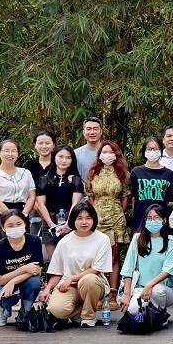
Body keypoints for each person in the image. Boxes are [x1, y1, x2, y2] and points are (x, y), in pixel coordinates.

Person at [41, 203, 112, 327]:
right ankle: (78, 312)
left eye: (88, 218)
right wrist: (47, 289)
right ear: (73, 220)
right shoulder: (64, 242)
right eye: (79, 218)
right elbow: (57, 271)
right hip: (68, 286)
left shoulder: (102, 239)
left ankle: (88, 316)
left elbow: (96, 269)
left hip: (93, 284)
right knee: (55, 309)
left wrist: (71, 278)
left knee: (89, 279)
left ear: (94, 219)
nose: (84, 222)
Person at [85, 140, 131, 305]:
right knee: (97, 256)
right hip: (97, 218)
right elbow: (90, 196)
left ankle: (112, 292)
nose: (107, 155)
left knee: (114, 256)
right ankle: (99, 292)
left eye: (111, 152)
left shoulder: (123, 174)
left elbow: (126, 197)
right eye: (104, 152)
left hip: (116, 217)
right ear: (99, 155)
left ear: (116, 155)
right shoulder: (92, 173)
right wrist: (94, 214)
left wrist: (118, 212)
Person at [0, 209, 43, 326]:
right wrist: (23, 268)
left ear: (25, 223)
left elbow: (35, 270)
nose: (15, 228)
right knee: (10, 294)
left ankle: (25, 311)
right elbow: (0, 280)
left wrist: (12, 282)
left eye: (19, 224)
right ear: (3, 228)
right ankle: (3, 309)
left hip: (23, 279)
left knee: (35, 282)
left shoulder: (34, 241)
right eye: (10, 226)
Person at [0, 139, 36, 263]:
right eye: (6, 151)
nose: (10, 154)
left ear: (18, 154)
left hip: (22, 213)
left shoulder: (26, 173)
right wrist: (10, 217)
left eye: (14, 151)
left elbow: (31, 196)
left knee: (22, 253)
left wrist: (23, 215)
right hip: (0, 214)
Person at [120, 205, 173, 315]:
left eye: (157, 218)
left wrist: (150, 285)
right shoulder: (137, 239)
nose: (152, 221)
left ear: (164, 220)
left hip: (164, 289)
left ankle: (160, 314)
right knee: (133, 311)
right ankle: (148, 312)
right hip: (140, 289)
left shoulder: (171, 241)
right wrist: (127, 295)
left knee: (157, 291)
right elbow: (128, 268)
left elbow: (167, 270)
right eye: (149, 218)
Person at [34, 145, 84, 261]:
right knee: (54, 260)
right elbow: (41, 205)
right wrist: (52, 225)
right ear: (54, 157)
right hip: (49, 220)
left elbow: (75, 204)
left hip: (70, 219)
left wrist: (68, 224)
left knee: (70, 259)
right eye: (60, 157)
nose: (64, 160)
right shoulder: (44, 180)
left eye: (68, 157)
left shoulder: (75, 179)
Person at [129, 136, 173, 233]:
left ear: (161, 151)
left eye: (156, 149)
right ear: (144, 152)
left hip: (160, 221)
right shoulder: (136, 172)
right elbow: (133, 199)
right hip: (139, 221)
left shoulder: (169, 174)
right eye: (149, 149)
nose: (152, 152)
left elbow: (171, 200)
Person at [23, 130, 55, 235]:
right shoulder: (28, 166)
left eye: (47, 143)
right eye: (40, 143)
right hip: (33, 208)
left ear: (54, 145)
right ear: (35, 145)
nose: (44, 146)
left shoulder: (60, 164)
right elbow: (24, 189)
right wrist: (37, 206)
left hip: (56, 209)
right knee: (35, 238)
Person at [74, 117, 103, 182]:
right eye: (88, 129)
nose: (92, 132)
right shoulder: (75, 153)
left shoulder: (110, 152)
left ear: (101, 131)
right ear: (83, 132)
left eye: (95, 129)